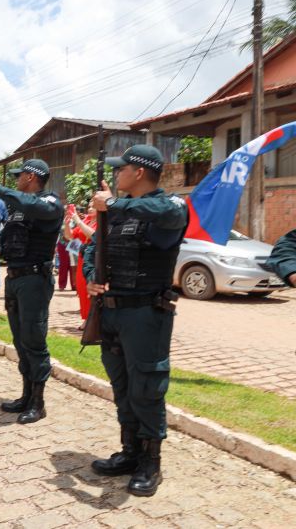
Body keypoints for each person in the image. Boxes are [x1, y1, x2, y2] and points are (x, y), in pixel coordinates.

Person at [85, 144, 188, 497]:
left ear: (139, 172)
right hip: (111, 312)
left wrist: (112, 203)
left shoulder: (171, 206)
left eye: (122, 169)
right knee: (123, 387)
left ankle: (150, 463)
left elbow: (166, 212)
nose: (116, 175)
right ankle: (129, 453)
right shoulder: (115, 212)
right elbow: (91, 248)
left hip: (146, 314)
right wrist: (89, 276)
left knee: (147, 388)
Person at [0, 159, 63, 424]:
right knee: (20, 340)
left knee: (34, 340)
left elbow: (33, 206)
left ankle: (38, 403)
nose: (17, 180)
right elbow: (11, 237)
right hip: (15, 278)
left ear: (31, 177)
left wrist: (0, 189)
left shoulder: (50, 202)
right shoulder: (19, 208)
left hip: (34, 280)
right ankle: (26, 395)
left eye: (20, 176)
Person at [65, 203, 97, 330]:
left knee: (91, 289)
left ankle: (94, 319)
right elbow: (70, 236)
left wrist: (77, 220)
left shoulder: (103, 220)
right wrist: (67, 224)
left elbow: (93, 235)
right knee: (82, 289)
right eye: (89, 206)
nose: (90, 208)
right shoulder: (87, 220)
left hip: (94, 259)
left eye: (93, 206)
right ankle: (86, 318)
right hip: (82, 259)